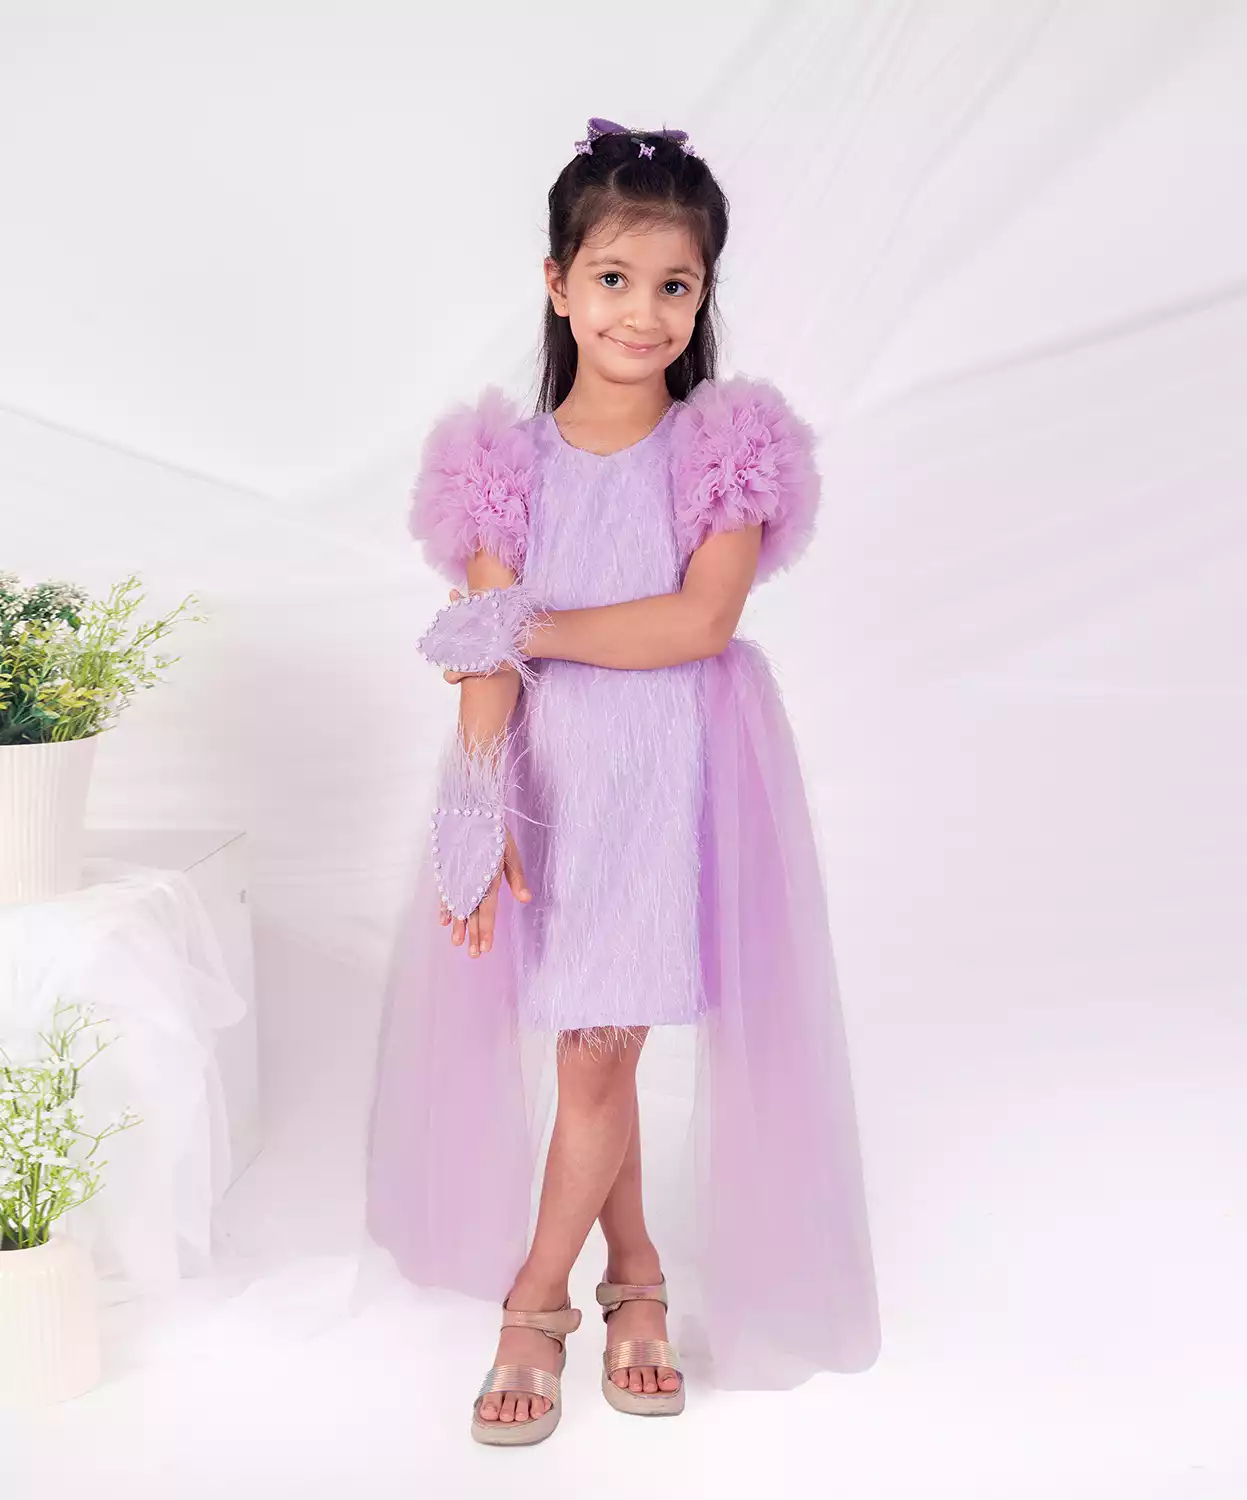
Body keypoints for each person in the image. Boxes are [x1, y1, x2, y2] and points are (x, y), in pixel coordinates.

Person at [363, 117, 880, 1446]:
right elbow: (481, 656)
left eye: (673, 285)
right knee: (597, 1034)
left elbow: (697, 623)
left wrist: (524, 625)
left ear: (702, 296)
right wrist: (478, 797)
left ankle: (533, 1305)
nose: (642, 313)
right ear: (557, 284)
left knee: (598, 1052)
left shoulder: (723, 451)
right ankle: (636, 1280)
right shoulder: (500, 467)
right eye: (612, 278)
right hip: (554, 781)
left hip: (674, 778)